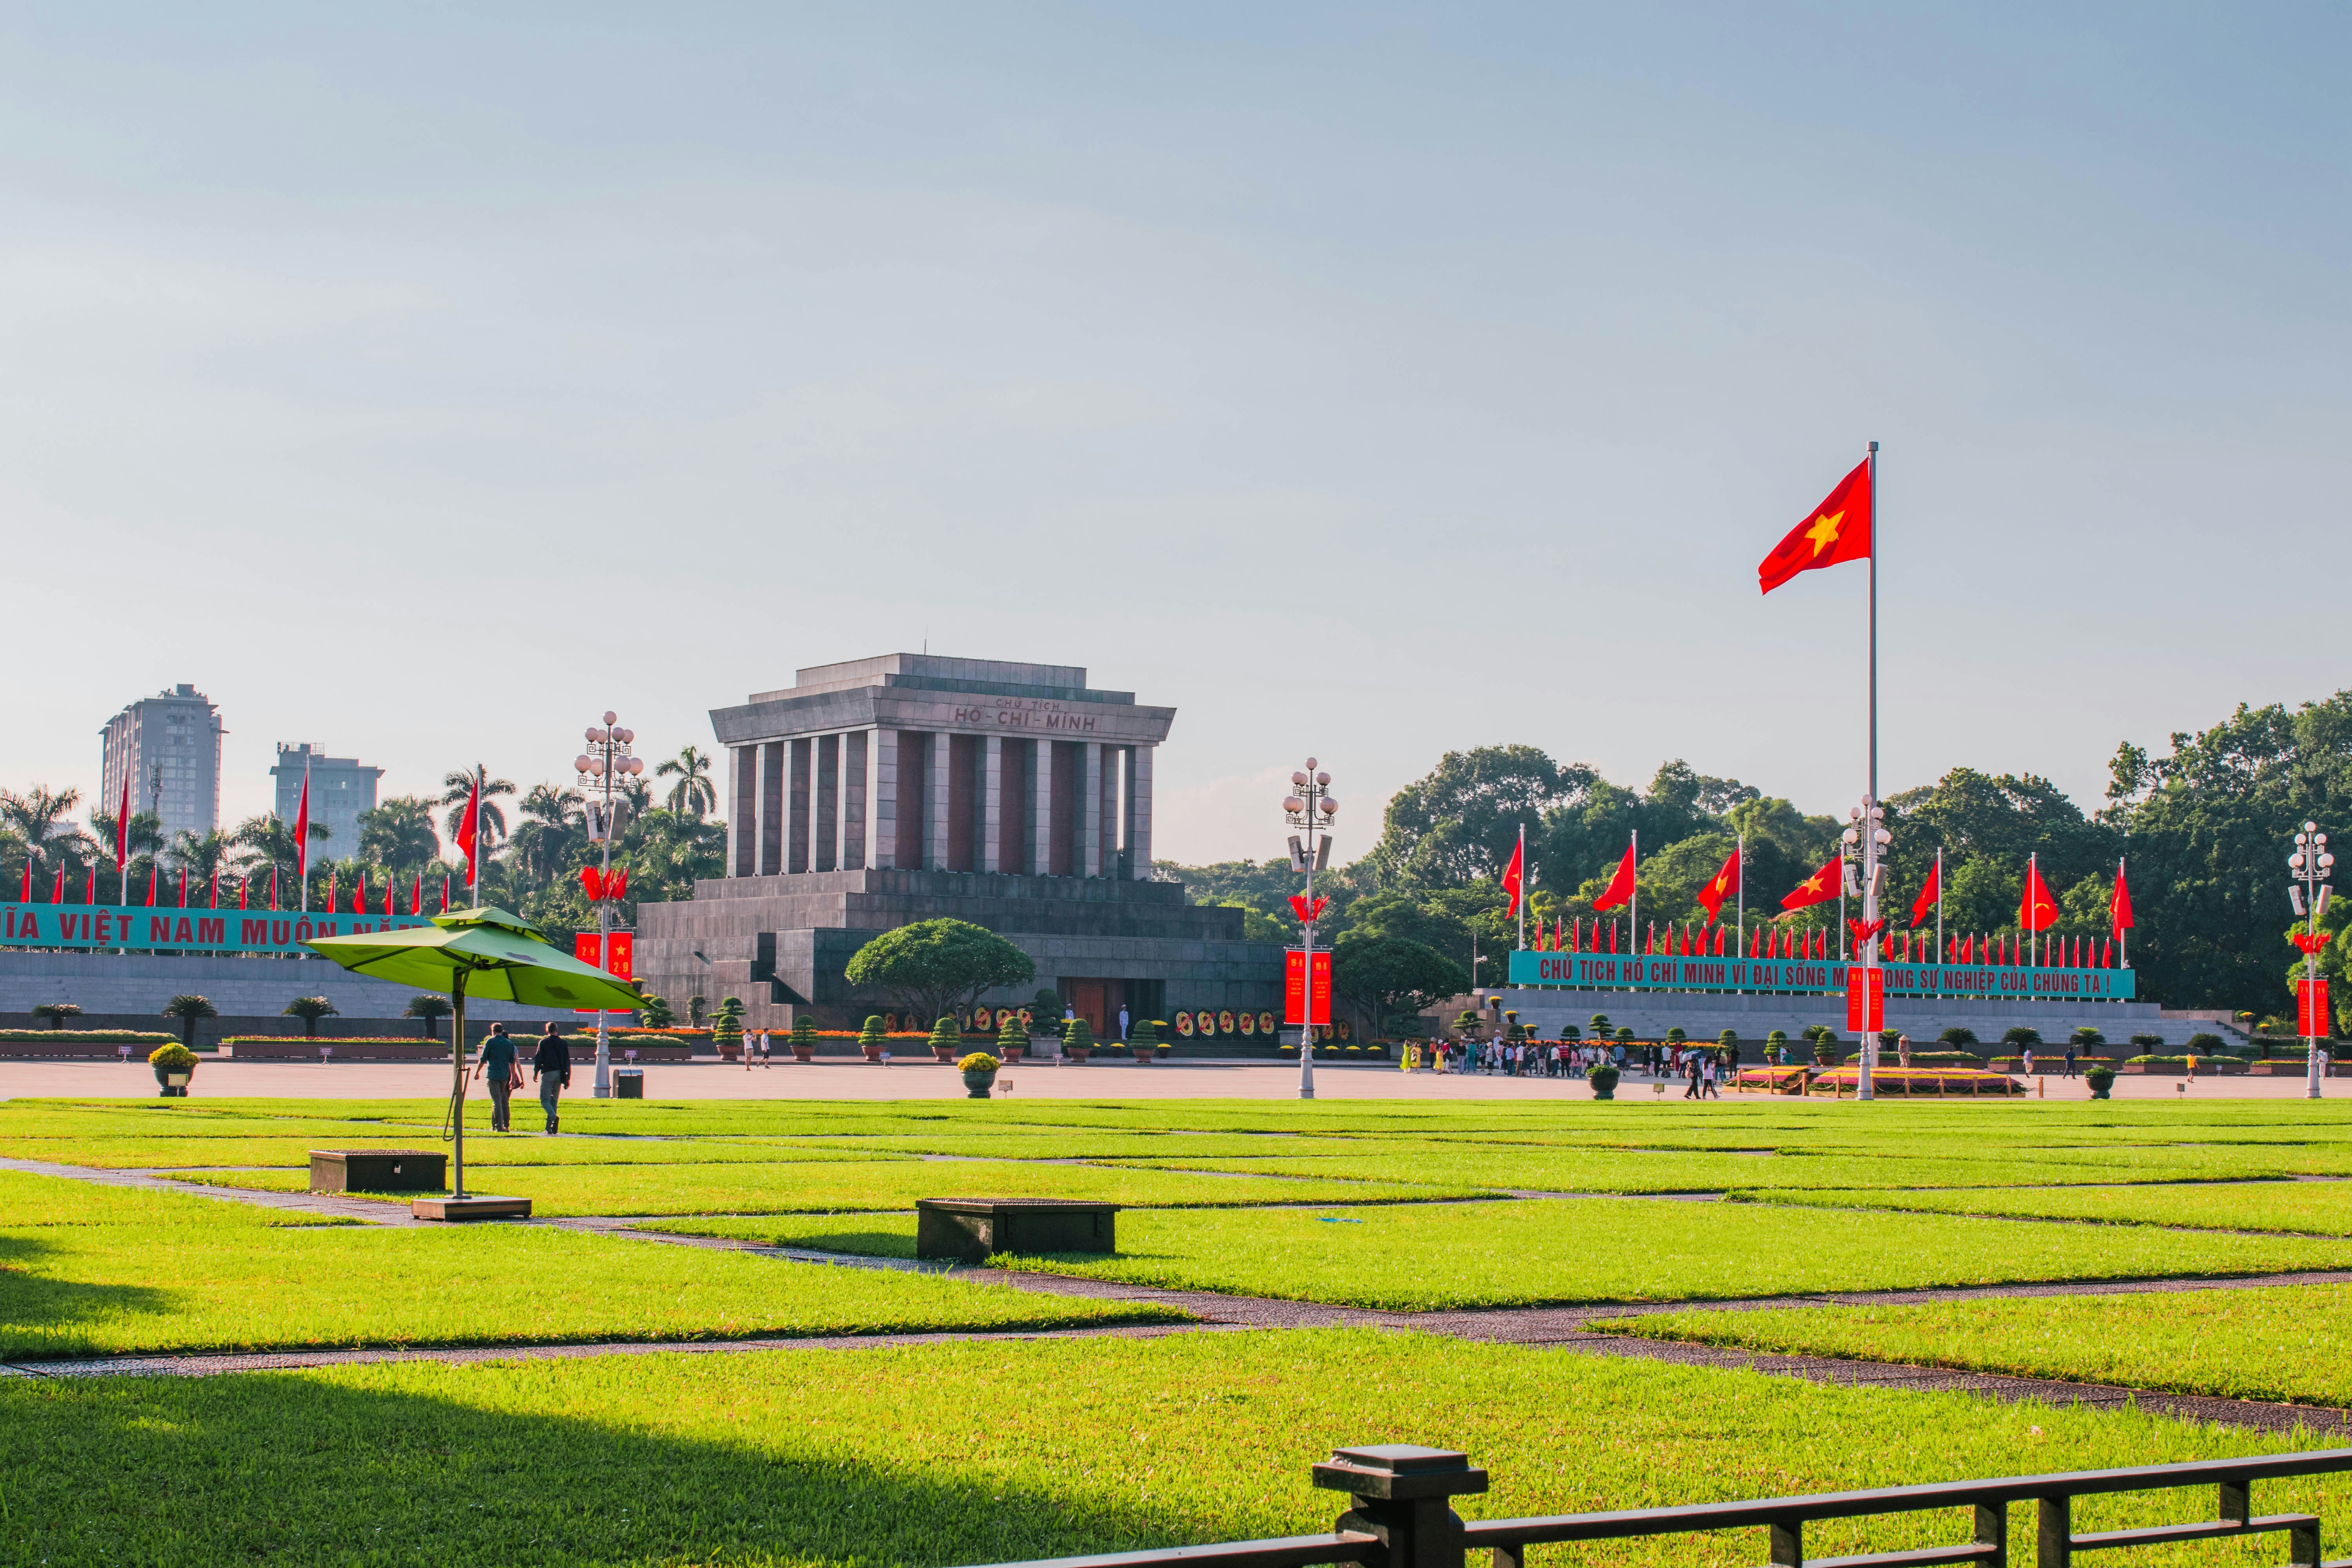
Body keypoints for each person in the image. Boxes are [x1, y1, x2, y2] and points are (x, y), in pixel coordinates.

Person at [472, 1023, 517, 1132]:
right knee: (504, 1101)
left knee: (496, 1101)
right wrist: (513, 1079)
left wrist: (477, 1072)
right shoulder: (509, 1043)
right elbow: (513, 1062)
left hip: (493, 1075)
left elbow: (483, 1059)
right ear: (502, 1031)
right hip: (505, 1076)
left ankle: (499, 1126)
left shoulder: (491, 1042)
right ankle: (505, 1125)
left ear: (492, 1031)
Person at [531, 1022, 570, 1135]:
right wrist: (567, 1079)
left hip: (548, 1073)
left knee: (545, 1100)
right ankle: (550, 1128)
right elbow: (567, 1061)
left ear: (547, 1030)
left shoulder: (544, 1042)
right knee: (554, 1101)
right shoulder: (563, 1043)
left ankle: (553, 1117)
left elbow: (539, 1059)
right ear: (557, 1029)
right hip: (560, 1074)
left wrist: (536, 1073)